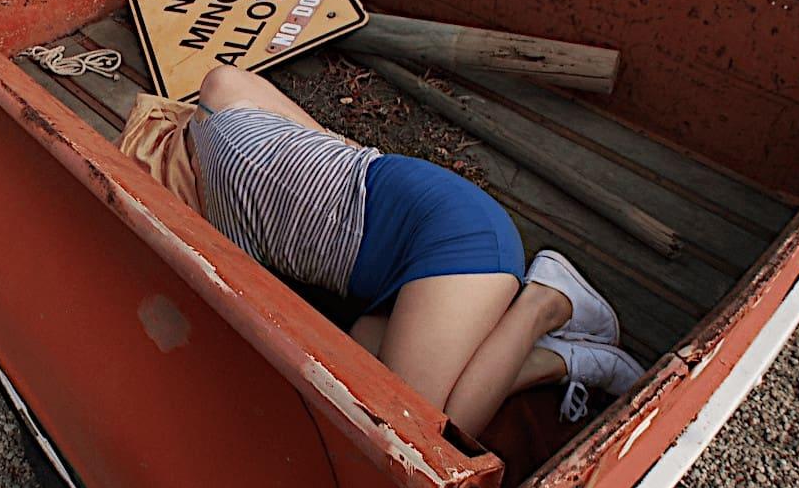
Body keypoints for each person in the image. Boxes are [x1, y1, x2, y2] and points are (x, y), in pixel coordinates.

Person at [187, 66, 644, 436]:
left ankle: (547, 308)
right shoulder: (219, 102)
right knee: (362, 371)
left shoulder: (220, 227)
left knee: (423, 430)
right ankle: (512, 331)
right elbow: (323, 134)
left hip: (455, 240)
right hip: (423, 210)